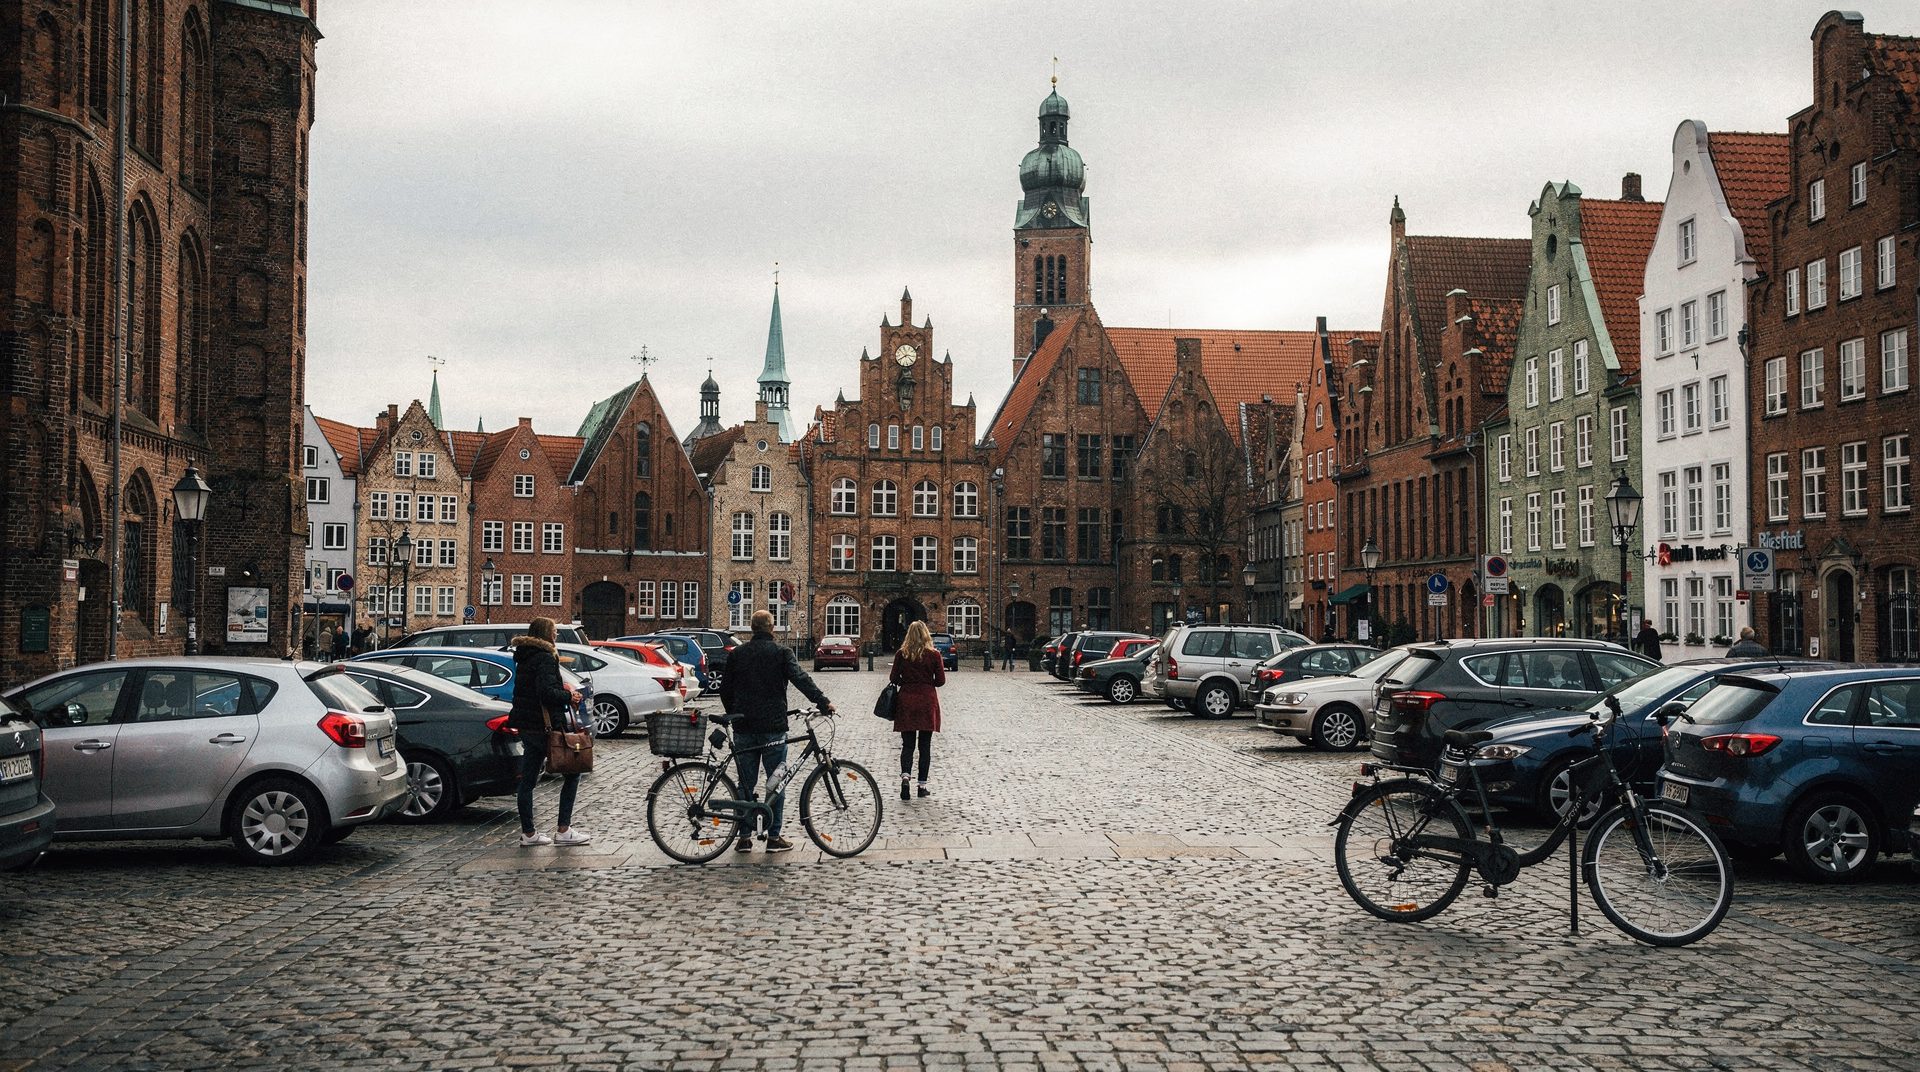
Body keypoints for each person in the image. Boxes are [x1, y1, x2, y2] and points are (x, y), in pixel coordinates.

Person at [719, 609, 834, 853]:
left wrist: (735, 712)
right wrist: (823, 702)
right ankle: (773, 837)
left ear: (752, 628)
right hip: (773, 726)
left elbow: (725, 690)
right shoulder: (781, 652)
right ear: (772, 628)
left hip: (744, 727)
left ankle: (744, 837)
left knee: (745, 784)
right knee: (777, 782)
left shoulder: (738, 654)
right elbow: (801, 679)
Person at [507, 617, 590, 847]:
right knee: (572, 773)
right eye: (554, 631)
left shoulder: (525, 656)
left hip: (528, 724)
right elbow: (546, 692)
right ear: (545, 633)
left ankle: (529, 834)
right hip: (542, 726)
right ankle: (564, 830)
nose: (556, 635)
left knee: (529, 779)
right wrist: (568, 696)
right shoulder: (545, 657)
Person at [890, 620, 947, 800]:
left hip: (906, 700)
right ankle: (922, 786)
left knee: (907, 745)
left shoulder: (902, 654)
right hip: (926, 701)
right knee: (925, 746)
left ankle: (905, 777)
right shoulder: (934, 654)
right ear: (926, 635)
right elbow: (941, 681)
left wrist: (906, 682)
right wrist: (927, 682)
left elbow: (893, 677)